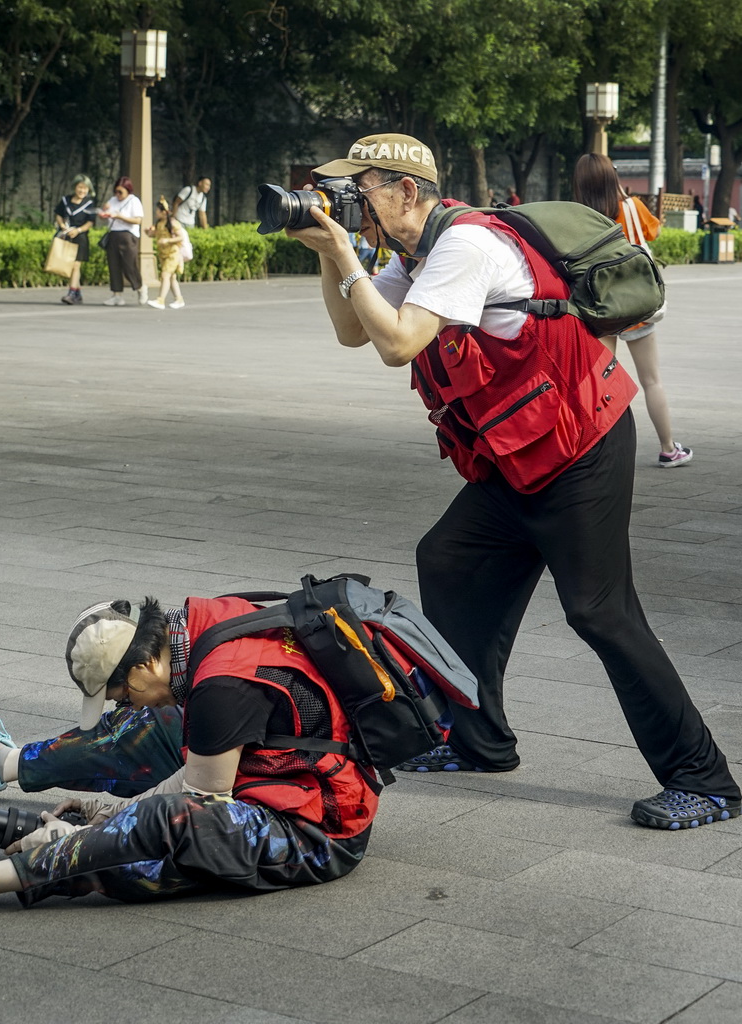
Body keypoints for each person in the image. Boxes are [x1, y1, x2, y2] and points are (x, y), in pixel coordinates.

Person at [286, 132, 740, 831]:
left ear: (407, 191)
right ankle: (479, 741)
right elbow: (357, 333)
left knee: (598, 610)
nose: (350, 204)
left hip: (578, 448)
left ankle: (703, 779)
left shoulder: (462, 245)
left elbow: (399, 342)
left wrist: (346, 255)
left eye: (360, 189)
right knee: (449, 558)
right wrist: (330, 258)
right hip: (521, 455)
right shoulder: (419, 252)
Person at [0, 594, 379, 927]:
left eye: (121, 694)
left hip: (316, 833)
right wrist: (107, 814)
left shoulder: (220, 686)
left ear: (143, 664)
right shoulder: (196, 634)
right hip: (275, 775)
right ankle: (2, 763)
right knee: (151, 731)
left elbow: (199, 803)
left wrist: (89, 834)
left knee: (163, 823)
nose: (123, 704)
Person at [573, 154, 692, 467]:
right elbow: (652, 234)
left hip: (600, 307)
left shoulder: (579, 215)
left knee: (598, 381)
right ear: (613, 177)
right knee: (652, 380)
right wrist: (626, 201)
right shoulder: (632, 206)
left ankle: (590, 449)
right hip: (636, 304)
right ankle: (669, 448)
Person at [97, 176, 146, 306]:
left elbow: (138, 220)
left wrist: (120, 216)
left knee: (129, 265)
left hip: (127, 235)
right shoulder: (112, 200)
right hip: (113, 234)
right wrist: (104, 212)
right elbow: (106, 217)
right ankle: (117, 294)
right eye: (116, 191)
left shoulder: (133, 201)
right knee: (114, 265)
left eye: (121, 192)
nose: (117, 195)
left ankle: (140, 288)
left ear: (128, 190)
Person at [53, 174, 96, 305]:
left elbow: (90, 222)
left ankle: (71, 293)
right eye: (80, 187)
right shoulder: (65, 200)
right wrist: (62, 227)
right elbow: (58, 215)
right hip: (66, 235)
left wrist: (78, 230)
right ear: (75, 187)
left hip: (80, 237)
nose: (82, 191)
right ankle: (78, 294)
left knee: (75, 265)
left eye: (85, 188)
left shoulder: (89, 204)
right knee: (70, 266)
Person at [145, 197, 186, 310]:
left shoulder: (172, 223)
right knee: (172, 277)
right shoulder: (160, 223)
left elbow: (180, 237)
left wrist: (167, 240)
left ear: (164, 212)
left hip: (173, 253)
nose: (156, 213)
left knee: (165, 275)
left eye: (157, 211)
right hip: (163, 254)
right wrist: (149, 233)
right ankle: (179, 299)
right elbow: (156, 235)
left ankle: (160, 300)